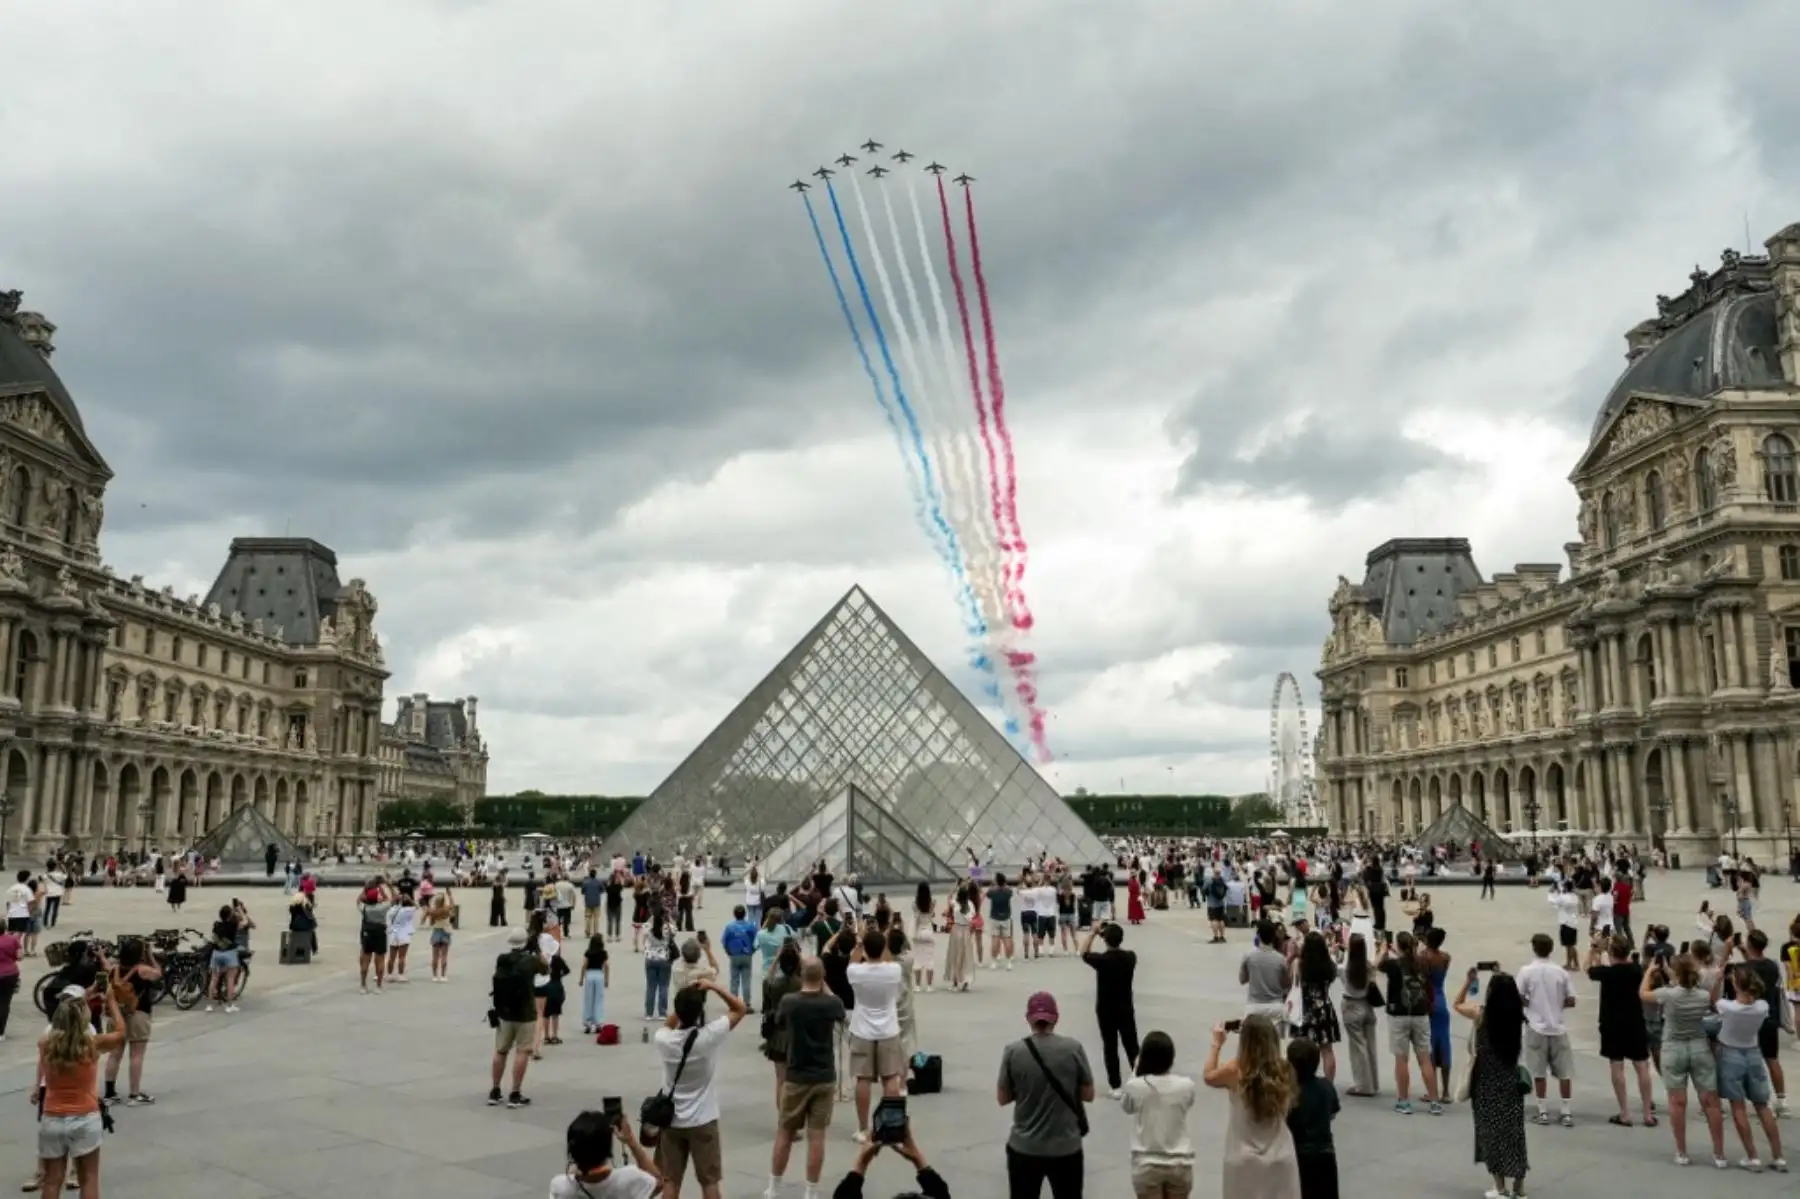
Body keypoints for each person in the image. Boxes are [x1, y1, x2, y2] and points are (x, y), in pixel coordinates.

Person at [651, 979, 748, 1199]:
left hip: (672, 1120)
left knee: (671, 1181)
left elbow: (668, 1023)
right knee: (710, 1182)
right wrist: (713, 986)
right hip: (703, 1118)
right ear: (699, 1013)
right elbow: (739, 1008)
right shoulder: (708, 1036)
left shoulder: (664, 1040)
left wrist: (684, 998)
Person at [997, 991, 1092, 1199]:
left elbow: (1002, 1098)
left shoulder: (1013, 1051)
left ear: (1028, 1019)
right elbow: (1088, 1094)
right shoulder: (1073, 1048)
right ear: (1056, 1018)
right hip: (1066, 1146)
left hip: (1024, 1146)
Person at [35, 988, 126, 1197]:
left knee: (51, 1180)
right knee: (89, 1178)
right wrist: (111, 1002)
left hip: (52, 1117)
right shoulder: (91, 1044)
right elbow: (121, 1033)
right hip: (85, 1116)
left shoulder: (45, 1045)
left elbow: (63, 1022)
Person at [769, 957, 846, 1199]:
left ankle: (775, 1187)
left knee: (785, 1131)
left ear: (801, 976)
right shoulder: (831, 1004)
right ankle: (811, 1190)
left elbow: (779, 1022)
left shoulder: (790, 1002)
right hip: (823, 1074)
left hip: (796, 1074)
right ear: (823, 977)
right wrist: (826, 987)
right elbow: (841, 1013)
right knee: (817, 1135)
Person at [1641, 952, 1727, 1167]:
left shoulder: (1668, 994)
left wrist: (1650, 971)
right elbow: (1709, 1001)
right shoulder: (1703, 996)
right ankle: (1719, 1153)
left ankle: (1681, 1151)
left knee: (1677, 1101)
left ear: (1676, 974)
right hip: (1699, 1046)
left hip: (1674, 1047)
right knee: (1711, 1102)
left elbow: (1643, 994)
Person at [1203, 1014, 1300, 1199]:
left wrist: (1216, 1044)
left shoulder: (1235, 1070)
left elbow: (1209, 1075)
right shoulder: (1284, 1069)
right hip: (1281, 1155)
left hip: (1243, 1158)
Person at [1451, 969, 1528, 1197]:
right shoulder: (1517, 1014)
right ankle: (1520, 1188)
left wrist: (1468, 981)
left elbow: (1456, 1003)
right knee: (1514, 1133)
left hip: (1485, 1081)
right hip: (1510, 1080)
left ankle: (1500, 1187)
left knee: (1490, 1133)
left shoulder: (1481, 1014)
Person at [1710, 965, 1786, 1172]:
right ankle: (1778, 1155)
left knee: (1738, 1106)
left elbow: (1713, 1001)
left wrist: (1717, 981)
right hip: (1753, 1053)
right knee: (1762, 1105)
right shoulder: (1761, 1007)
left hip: (1731, 1053)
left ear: (1736, 985)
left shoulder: (1727, 1007)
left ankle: (1752, 1155)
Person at [1586, 933, 1656, 1126]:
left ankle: (1624, 1112)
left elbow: (1588, 969)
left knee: (1617, 1066)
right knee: (1642, 1065)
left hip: (1612, 1023)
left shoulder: (1607, 973)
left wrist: (1594, 949)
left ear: (1611, 952)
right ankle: (1647, 1112)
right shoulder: (1636, 970)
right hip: (1635, 1021)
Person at [1119, 1030, 1195, 1199]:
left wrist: (1136, 1068)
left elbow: (1126, 1106)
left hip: (1146, 1165)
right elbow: (1187, 1103)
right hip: (1179, 1163)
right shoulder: (1186, 1086)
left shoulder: (1135, 1086)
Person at [1079, 920, 1139, 1097]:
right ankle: (1141, 1078)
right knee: (1132, 1044)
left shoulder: (1102, 960)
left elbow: (1083, 952)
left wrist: (1093, 933)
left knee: (1110, 1045)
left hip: (1106, 1008)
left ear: (1105, 940)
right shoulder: (1130, 957)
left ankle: (1115, 1085)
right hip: (1125, 1007)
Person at [489, 928, 547, 1108]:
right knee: (522, 1052)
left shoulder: (502, 959)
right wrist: (537, 951)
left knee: (501, 1050)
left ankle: (495, 1090)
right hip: (525, 1014)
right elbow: (545, 969)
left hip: (504, 1012)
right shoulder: (530, 961)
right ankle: (515, 1092)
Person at [549, 1108, 662, 1198]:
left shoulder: (561, 1187)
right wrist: (631, 1141)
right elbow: (658, 1182)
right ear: (608, 1151)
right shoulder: (630, 1179)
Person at [104, 938, 162, 1104]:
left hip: (116, 1015)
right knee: (136, 1054)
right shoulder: (142, 970)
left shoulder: (113, 969)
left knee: (114, 1054)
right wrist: (150, 955)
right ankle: (134, 1094)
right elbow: (158, 973)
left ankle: (109, 1093)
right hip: (138, 1013)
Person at [1285, 1038, 1339, 1199]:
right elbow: (1333, 1112)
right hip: (1324, 1152)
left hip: (1298, 1152)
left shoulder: (1289, 1092)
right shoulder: (1326, 1086)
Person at [1338, 933, 1381, 1097]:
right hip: (1367, 1006)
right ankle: (1373, 1082)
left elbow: (1335, 969)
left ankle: (1363, 1085)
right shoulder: (1368, 966)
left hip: (1351, 1005)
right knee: (1370, 1046)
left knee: (1358, 1047)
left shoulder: (1346, 968)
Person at [1295, 933, 1340, 1082]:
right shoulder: (1329, 965)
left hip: (1306, 1009)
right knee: (1327, 1049)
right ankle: (1329, 1083)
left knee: (1302, 1048)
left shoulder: (1300, 964)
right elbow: (1333, 978)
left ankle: (1303, 1081)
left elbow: (1293, 982)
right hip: (1324, 1007)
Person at [1240, 921, 1290, 1029]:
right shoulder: (1281, 959)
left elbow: (1242, 980)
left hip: (1254, 1006)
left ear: (1258, 936)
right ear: (1274, 936)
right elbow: (1286, 984)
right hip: (1276, 1007)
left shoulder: (1248, 956)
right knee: (1274, 1043)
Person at [722, 905, 760, 1012]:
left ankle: (733, 1004)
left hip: (734, 955)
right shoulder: (750, 926)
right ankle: (747, 1004)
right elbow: (756, 941)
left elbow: (724, 941)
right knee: (746, 980)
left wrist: (728, 952)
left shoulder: (730, 927)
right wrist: (752, 951)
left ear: (734, 914)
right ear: (745, 914)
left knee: (734, 981)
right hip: (747, 955)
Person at [357, 880, 391, 994]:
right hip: (380, 933)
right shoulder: (382, 908)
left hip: (368, 933)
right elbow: (393, 899)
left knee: (365, 960)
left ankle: (363, 985)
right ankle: (378, 986)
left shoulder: (365, 908)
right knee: (380, 960)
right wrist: (387, 888)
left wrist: (365, 888)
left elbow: (358, 900)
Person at [578, 934, 610, 1037]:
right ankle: (598, 1023)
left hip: (590, 975)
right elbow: (606, 966)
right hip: (599, 975)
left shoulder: (588, 952)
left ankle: (587, 1023)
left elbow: (584, 965)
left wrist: (581, 979)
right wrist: (606, 980)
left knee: (588, 999)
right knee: (598, 1000)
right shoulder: (603, 953)